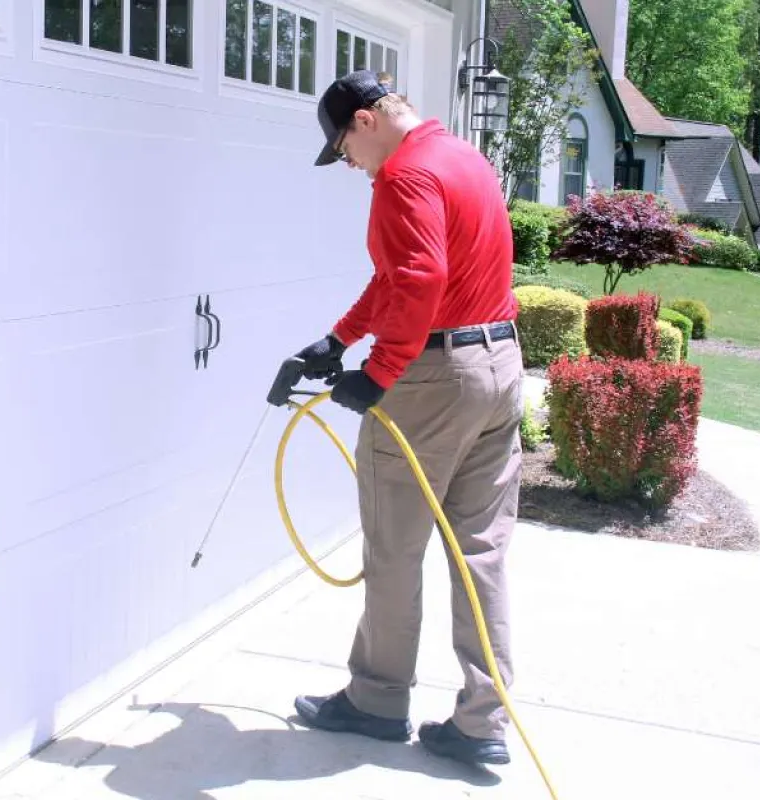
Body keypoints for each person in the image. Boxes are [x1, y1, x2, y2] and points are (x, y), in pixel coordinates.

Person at [285, 69, 522, 767]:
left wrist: (381, 372)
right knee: (481, 550)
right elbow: (400, 278)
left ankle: (376, 702)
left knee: (394, 546)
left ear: (364, 121)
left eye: (343, 151)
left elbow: (419, 279)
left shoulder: (404, 178)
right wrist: (339, 339)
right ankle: (484, 721)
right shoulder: (461, 157)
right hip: (499, 365)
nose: (351, 166)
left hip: (435, 380)